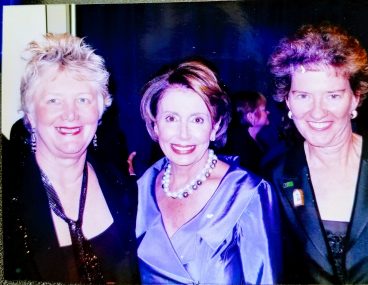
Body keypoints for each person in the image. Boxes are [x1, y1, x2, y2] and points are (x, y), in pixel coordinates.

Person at [267, 23, 368, 284]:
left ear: (355, 98)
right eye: (303, 95)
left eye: (333, 96)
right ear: (288, 101)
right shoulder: (274, 175)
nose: (317, 112)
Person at [2, 33, 139, 283]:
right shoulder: (7, 194)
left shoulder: (124, 189)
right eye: (54, 100)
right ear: (30, 115)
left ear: (100, 110)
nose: (70, 114)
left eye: (83, 99)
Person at [136, 60, 282, 284]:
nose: (183, 135)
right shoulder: (141, 189)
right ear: (155, 125)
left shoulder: (248, 194)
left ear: (215, 127)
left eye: (197, 119)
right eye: (171, 118)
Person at [224, 90, 287, 175]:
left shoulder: (259, 141)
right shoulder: (239, 147)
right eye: (264, 109)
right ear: (251, 117)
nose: (268, 112)